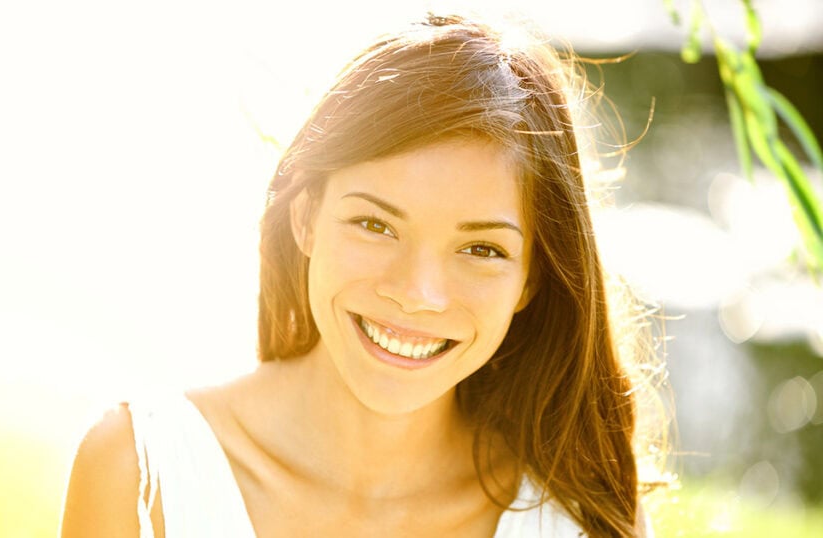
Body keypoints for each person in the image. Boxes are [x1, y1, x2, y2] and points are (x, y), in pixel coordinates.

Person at [60, 13, 667, 538]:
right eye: (376, 226)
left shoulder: (585, 519)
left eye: (481, 249)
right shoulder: (143, 473)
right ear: (305, 219)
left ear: (532, 280)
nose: (416, 293)